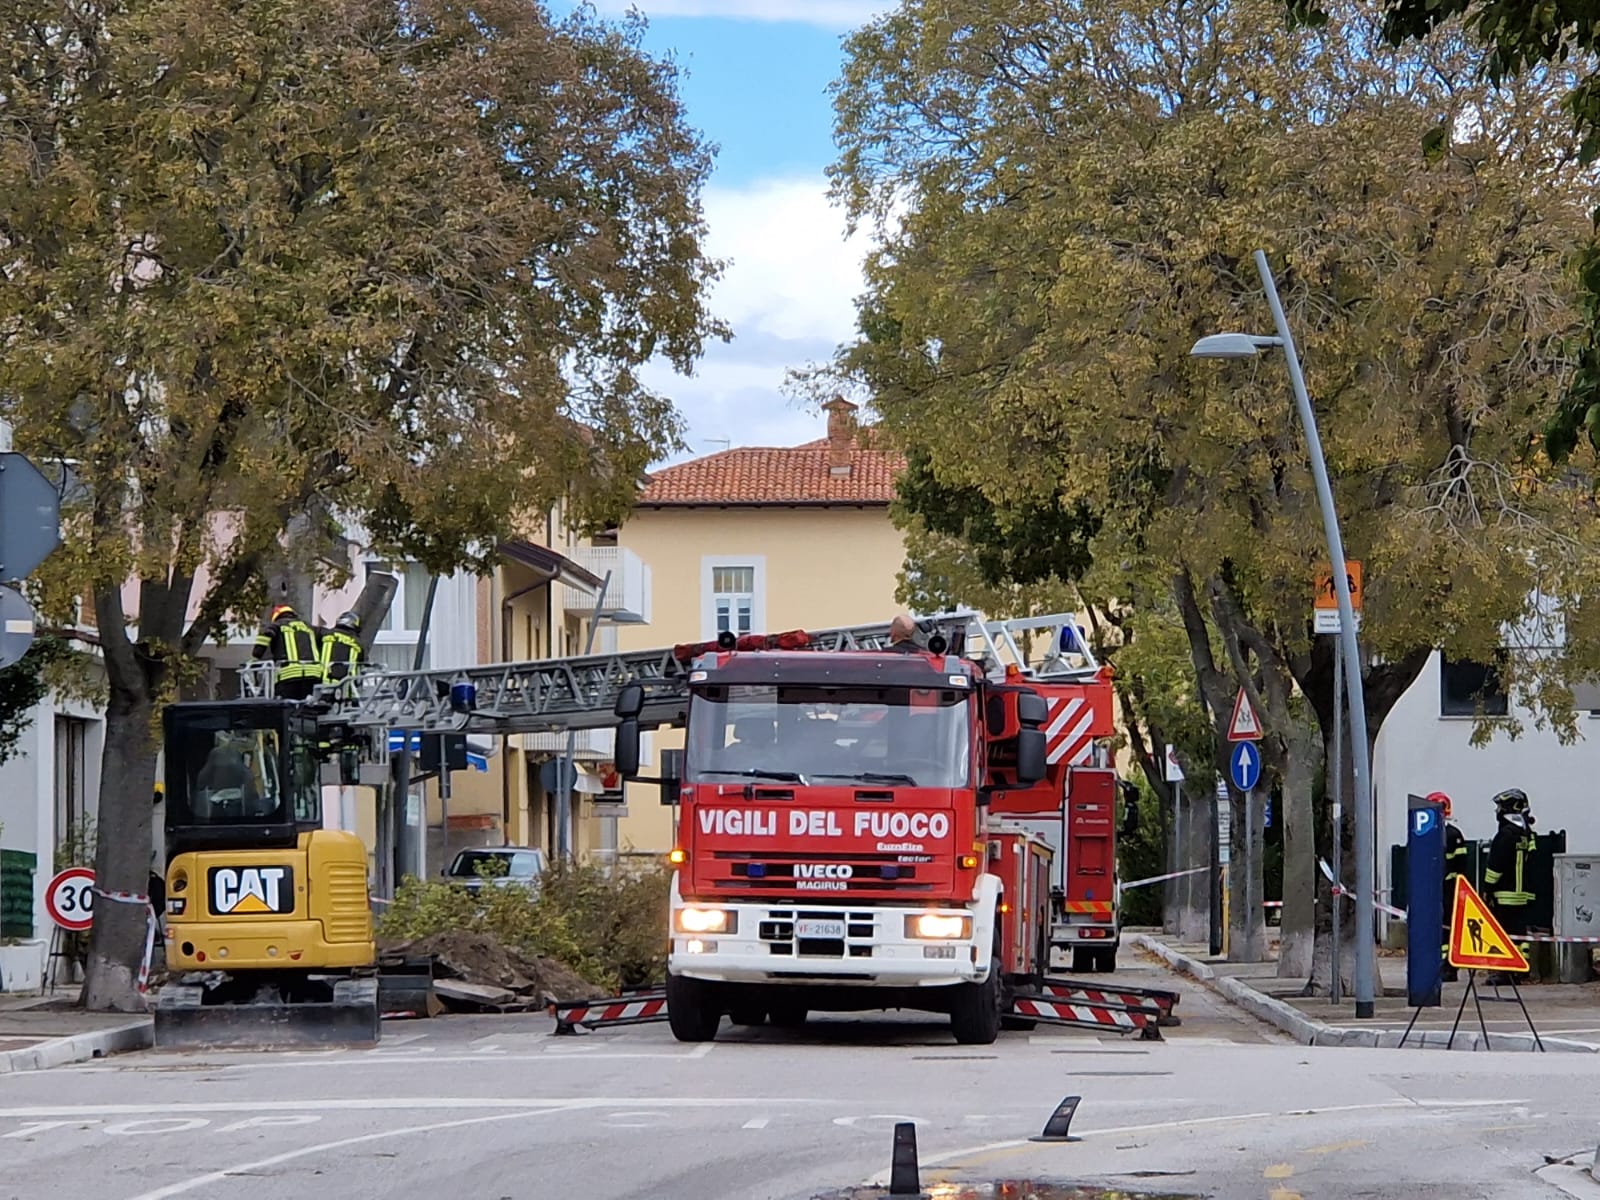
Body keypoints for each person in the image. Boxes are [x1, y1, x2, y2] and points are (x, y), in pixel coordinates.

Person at [1483, 787, 1536, 984]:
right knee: (1519, 932)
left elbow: (1495, 867)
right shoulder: (1525, 834)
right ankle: (1521, 967)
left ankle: (1504, 971)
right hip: (1523, 893)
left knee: (1503, 933)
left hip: (1505, 894)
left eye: (1499, 807)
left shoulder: (1505, 835)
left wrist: (1487, 888)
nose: (1497, 811)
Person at [1429, 791, 1467, 982]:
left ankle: (1449, 966)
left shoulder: (1452, 835)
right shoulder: (1430, 833)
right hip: (1436, 889)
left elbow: (1462, 866)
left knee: (1448, 928)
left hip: (1449, 890)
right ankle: (1441, 964)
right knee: (1439, 928)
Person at [252, 603, 322, 699]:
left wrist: (257, 653)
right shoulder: (308, 627)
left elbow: (265, 636)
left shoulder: (277, 625)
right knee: (308, 708)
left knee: (287, 709)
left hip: (288, 675)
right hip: (313, 675)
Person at [319, 610, 365, 694]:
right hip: (347, 688)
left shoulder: (326, 635)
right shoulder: (357, 643)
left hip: (321, 684)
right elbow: (361, 664)